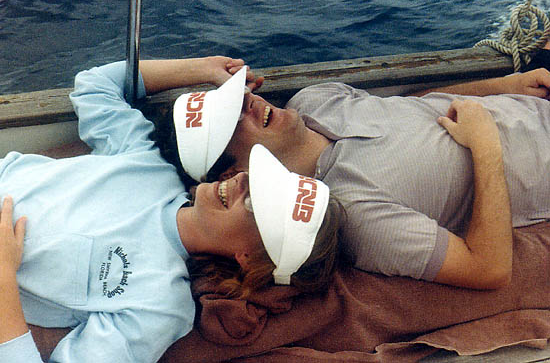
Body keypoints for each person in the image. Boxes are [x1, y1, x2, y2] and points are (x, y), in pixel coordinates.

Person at [0, 57, 342, 363]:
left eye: (255, 202)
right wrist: (202, 69)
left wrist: (4, 278)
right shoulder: (148, 161)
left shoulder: (160, 305)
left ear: (249, 258)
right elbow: (95, 84)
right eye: (258, 176)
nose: (243, 184)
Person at [154, 64, 550, 291]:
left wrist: (500, 87)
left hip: (531, 100)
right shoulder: (355, 215)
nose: (250, 104)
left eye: (236, 100)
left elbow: (404, 108)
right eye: (233, 121)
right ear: (232, 173)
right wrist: (485, 145)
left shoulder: (312, 99)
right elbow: (488, 269)